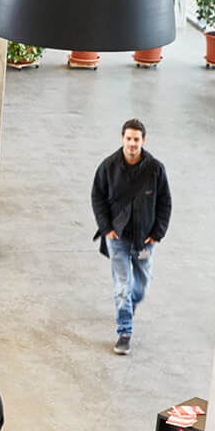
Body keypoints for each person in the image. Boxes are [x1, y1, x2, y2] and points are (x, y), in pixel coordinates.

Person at [90, 118, 172, 355]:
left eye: (136, 139)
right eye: (128, 138)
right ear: (122, 139)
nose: (132, 143)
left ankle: (126, 307)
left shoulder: (155, 169)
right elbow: (97, 197)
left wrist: (157, 233)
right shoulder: (108, 167)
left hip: (145, 240)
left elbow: (165, 202)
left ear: (143, 141)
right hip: (117, 238)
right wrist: (106, 228)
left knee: (141, 289)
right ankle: (124, 331)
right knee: (123, 287)